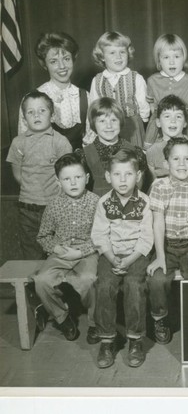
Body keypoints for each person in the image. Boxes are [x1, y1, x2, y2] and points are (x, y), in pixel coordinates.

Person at [146, 137, 188, 344]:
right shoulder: (159, 186)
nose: (182, 164)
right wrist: (159, 256)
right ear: (166, 164)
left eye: (187, 159)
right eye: (176, 159)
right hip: (164, 245)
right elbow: (157, 223)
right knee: (156, 280)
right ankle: (160, 318)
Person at [91, 149, 153, 369]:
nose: (123, 179)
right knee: (105, 285)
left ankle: (136, 340)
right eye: (117, 174)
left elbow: (147, 238)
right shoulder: (104, 203)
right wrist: (111, 257)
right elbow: (99, 234)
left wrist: (128, 260)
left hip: (136, 255)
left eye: (128, 174)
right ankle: (107, 340)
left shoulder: (145, 203)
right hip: (110, 254)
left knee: (135, 285)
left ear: (138, 176)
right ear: (108, 177)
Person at [34, 153, 100, 344]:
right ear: (58, 181)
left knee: (90, 280)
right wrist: (55, 248)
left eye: (78, 177)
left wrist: (83, 251)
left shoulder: (96, 202)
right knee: (41, 280)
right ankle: (62, 318)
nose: (73, 183)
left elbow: (102, 236)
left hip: (87, 253)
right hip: (60, 253)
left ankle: (95, 324)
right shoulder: (53, 205)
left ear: (86, 178)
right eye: (66, 179)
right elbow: (43, 236)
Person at [7, 91, 72, 259]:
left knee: (57, 253)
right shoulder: (18, 142)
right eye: (30, 112)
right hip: (27, 208)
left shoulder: (60, 142)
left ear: (52, 116)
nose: (36, 115)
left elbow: (67, 176)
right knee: (31, 253)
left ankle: (54, 284)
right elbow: (17, 173)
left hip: (54, 208)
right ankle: (33, 285)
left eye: (42, 110)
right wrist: (32, 192)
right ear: (24, 118)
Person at [17, 32, 95, 150]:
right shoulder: (31, 99)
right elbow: (23, 145)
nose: (62, 66)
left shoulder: (85, 96)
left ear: (73, 60)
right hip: (44, 165)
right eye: (53, 61)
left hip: (78, 164)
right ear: (45, 65)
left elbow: (91, 140)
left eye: (66, 59)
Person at [89, 31, 149, 148]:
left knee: (132, 156)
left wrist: (143, 121)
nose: (118, 57)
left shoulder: (136, 77)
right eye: (112, 53)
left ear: (128, 53)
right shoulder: (97, 80)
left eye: (122, 52)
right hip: (108, 126)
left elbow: (143, 104)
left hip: (132, 126)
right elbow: (93, 107)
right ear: (102, 57)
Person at [78, 97, 147, 196]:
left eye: (114, 120)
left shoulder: (135, 152)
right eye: (102, 121)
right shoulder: (84, 155)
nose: (109, 126)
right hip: (97, 207)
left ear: (121, 121)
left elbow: (140, 185)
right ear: (93, 124)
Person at [144, 34, 188, 147]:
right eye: (166, 57)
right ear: (159, 60)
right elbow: (151, 104)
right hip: (160, 125)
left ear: (184, 58)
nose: (172, 62)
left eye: (176, 57)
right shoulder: (152, 80)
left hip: (183, 124)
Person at [145, 95, 188, 181]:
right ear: (158, 122)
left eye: (178, 116)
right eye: (167, 116)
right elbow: (153, 185)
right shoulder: (151, 152)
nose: (173, 121)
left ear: (185, 123)